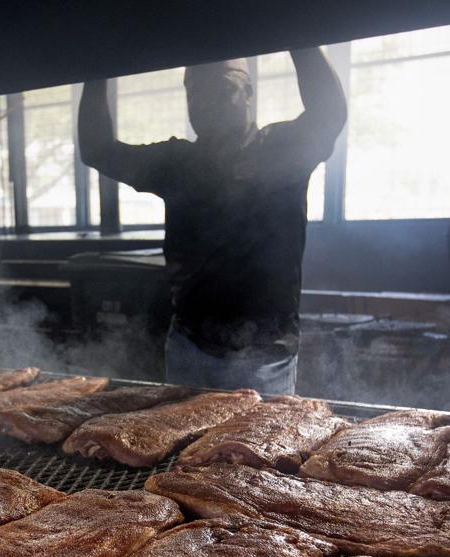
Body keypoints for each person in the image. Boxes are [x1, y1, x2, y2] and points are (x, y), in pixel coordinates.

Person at [78, 49, 346, 394]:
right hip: (190, 346)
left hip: (264, 355)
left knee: (260, 432)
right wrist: (96, 68)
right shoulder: (177, 164)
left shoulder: (281, 151)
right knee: (184, 432)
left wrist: (300, 40)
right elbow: (97, 150)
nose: (206, 103)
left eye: (222, 89)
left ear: (248, 92)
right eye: (195, 93)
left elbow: (329, 113)